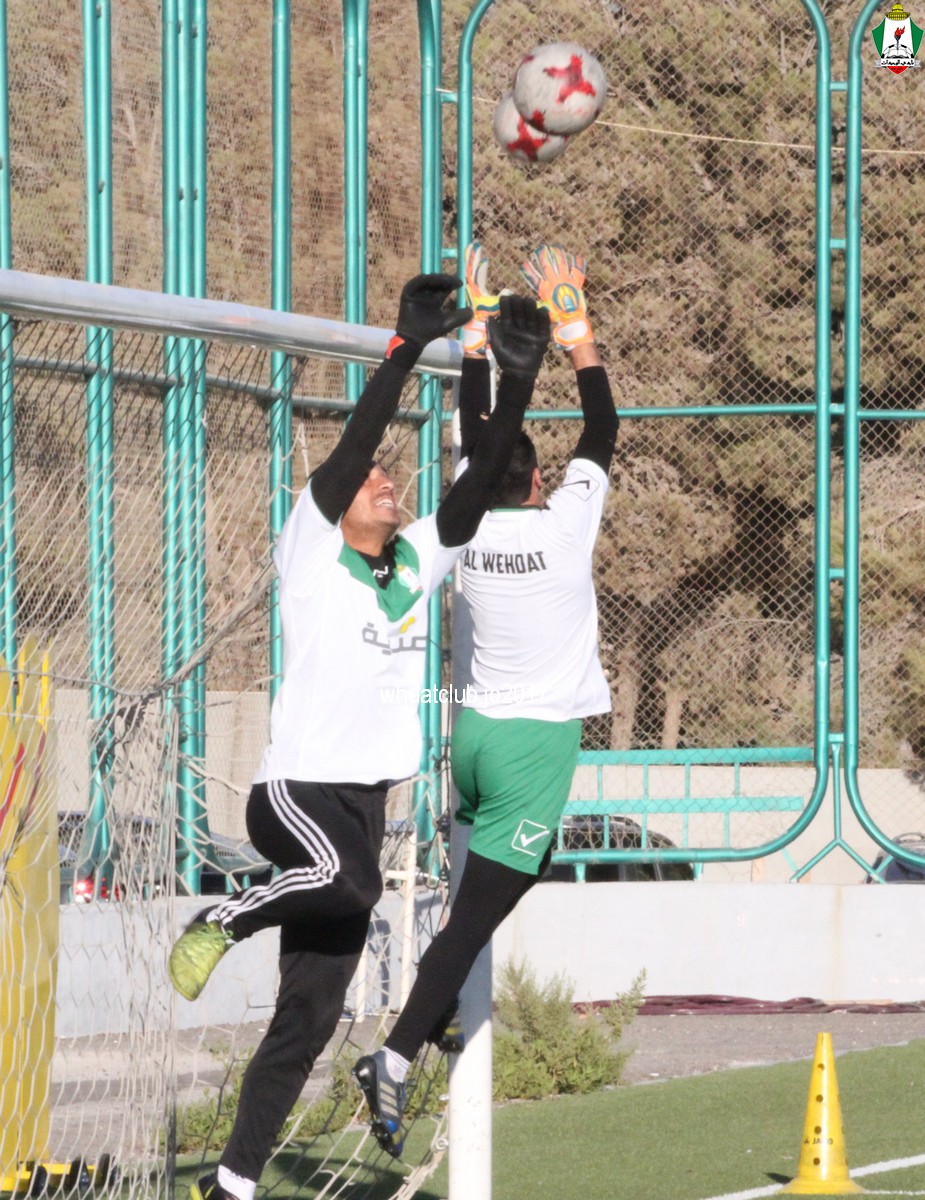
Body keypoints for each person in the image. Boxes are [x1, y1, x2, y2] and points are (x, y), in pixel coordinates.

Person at [166, 272, 551, 1200]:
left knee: (307, 1018)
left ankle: (230, 1185)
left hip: (362, 808)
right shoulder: (309, 551)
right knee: (349, 882)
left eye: (391, 479)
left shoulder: (416, 559)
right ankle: (222, 918)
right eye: (373, 481)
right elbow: (350, 451)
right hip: (296, 796)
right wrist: (406, 348)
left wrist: (516, 378)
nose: (386, 482)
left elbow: (477, 483)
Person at [353, 244, 618, 1158]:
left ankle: (433, 1016)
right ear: (538, 480)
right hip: (532, 746)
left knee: (511, 879)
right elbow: (602, 428)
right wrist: (573, 326)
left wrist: (477, 340)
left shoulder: (462, 530)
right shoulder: (568, 522)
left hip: (471, 738)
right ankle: (393, 1054)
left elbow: (483, 434)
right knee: (468, 926)